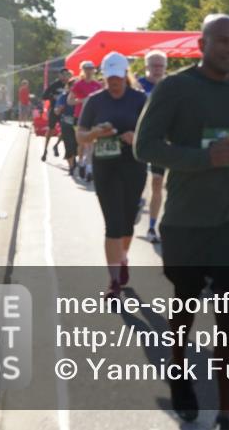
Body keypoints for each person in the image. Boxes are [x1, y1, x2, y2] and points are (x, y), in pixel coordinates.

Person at [134, 15, 229, 428]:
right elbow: (144, 146)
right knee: (186, 303)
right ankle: (179, 374)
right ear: (202, 43)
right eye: (222, 42)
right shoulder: (176, 88)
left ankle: (226, 413)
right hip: (187, 218)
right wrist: (201, 159)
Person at [76, 52, 148, 298]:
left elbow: (152, 135)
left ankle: (123, 257)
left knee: (127, 221)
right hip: (106, 166)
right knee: (113, 223)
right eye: (109, 78)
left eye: (118, 78)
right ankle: (114, 282)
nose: (114, 83)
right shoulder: (95, 101)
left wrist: (134, 137)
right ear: (104, 77)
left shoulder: (139, 99)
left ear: (125, 75)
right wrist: (95, 133)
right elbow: (81, 134)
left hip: (133, 165)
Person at [137, 50, 169, 242]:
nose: (157, 69)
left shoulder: (171, 86)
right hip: (139, 141)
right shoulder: (138, 86)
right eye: (154, 65)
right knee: (138, 182)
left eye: (161, 66)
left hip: (161, 143)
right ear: (146, 67)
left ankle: (151, 227)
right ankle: (137, 201)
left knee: (157, 183)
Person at [68, 60, 103, 182]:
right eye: (87, 69)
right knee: (82, 144)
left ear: (94, 70)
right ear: (83, 70)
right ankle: (81, 162)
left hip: (93, 117)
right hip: (80, 116)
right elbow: (70, 101)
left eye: (91, 69)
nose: (89, 71)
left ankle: (89, 169)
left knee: (90, 144)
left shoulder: (98, 85)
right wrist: (82, 101)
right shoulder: (78, 84)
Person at [41, 69, 72, 161]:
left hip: (65, 111)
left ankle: (57, 145)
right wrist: (53, 97)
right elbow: (44, 96)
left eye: (67, 74)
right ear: (60, 75)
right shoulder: (54, 85)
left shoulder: (70, 85)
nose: (65, 76)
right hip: (54, 111)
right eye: (63, 74)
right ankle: (45, 150)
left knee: (66, 131)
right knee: (51, 129)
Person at [55, 80, 78, 175]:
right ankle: (71, 166)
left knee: (76, 144)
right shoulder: (63, 97)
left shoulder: (82, 96)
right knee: (68, 144)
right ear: (68, 87)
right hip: (66, 122)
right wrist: (59, 109)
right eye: (73, 86)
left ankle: (74, 160)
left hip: (78, 122)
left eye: (76, 85)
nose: (75, 88)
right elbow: (56, 111)